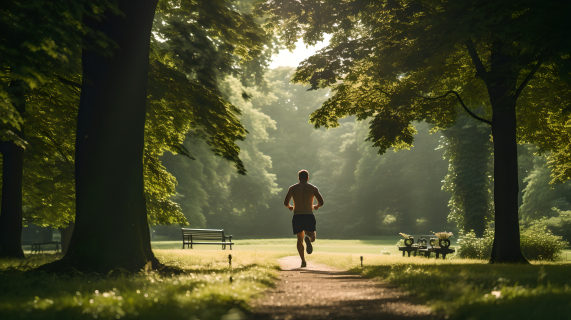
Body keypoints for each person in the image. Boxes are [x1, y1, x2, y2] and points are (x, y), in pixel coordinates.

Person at [283, 169, 324, 268]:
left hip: (297, 215)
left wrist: (290, 207)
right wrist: (316, 206)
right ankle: (309, 238)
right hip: (308, 215)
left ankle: (303, 261)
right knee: (312, 236)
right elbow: (321, 202)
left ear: (298, 178)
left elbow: (286, 203)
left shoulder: (292, 188)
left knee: (299, 239)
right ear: (307, 178)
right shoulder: (313, 188)